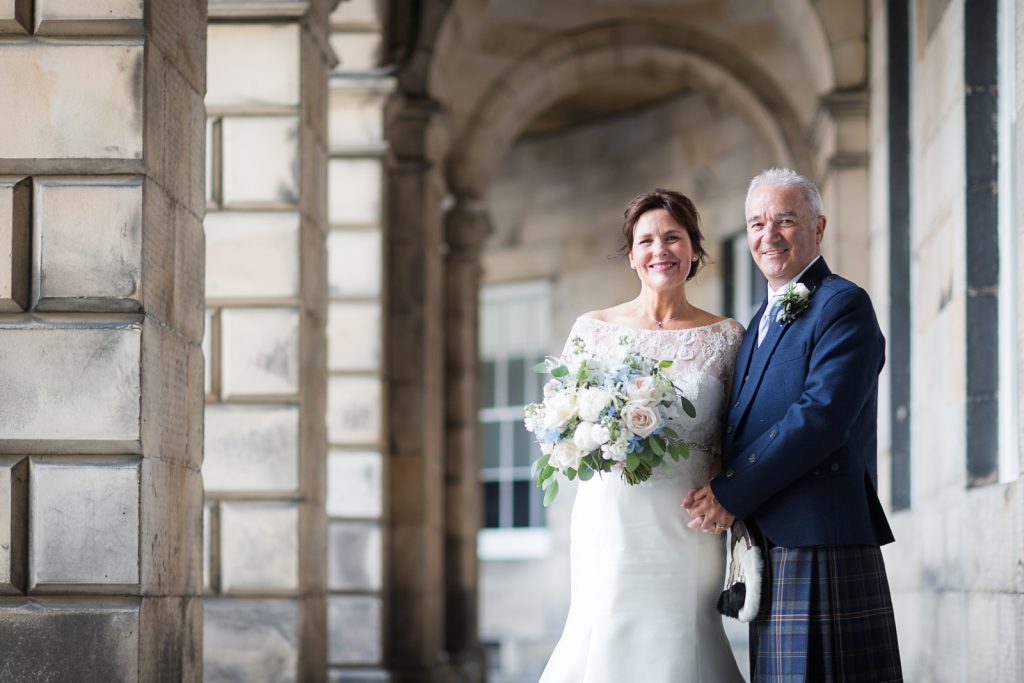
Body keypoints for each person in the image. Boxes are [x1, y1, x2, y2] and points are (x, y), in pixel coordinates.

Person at [684, 168, 903, 681]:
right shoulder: (759, 319)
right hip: (772, 540)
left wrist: (730, 492)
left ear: (819, 227)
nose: (768, 235)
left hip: (821, 537)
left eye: (785, 220)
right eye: (757, 223)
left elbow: (820, 417)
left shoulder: (842, 304)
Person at [539, 189, 745, 682]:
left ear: (693, 249)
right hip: (609, 515)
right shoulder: (592, 329)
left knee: (684, 632)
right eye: (647, 240)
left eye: (673, 238)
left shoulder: (726, 337)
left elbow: (735, 435)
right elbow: (560, 421)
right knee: (606, 623)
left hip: (688, 517)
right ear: (631, 255)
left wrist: (726, 490)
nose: (661, 250)